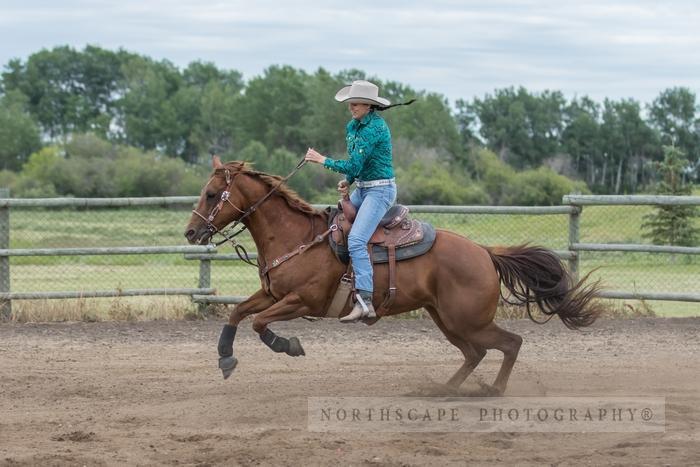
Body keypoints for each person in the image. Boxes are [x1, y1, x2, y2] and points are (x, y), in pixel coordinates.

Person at [305, 80, 399, 322]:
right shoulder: (353, 126)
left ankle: (365, 300)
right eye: (350, 103)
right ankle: (329, 292)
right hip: (364, 188)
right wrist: (348, 181)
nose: (351, 107)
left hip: (380, 191)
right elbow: (356, 166)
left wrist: (322, 159)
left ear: (369, 105)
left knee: (356, 239)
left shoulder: (375, 129)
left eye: (355, 103)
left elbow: (355, 164)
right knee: (335, 224)